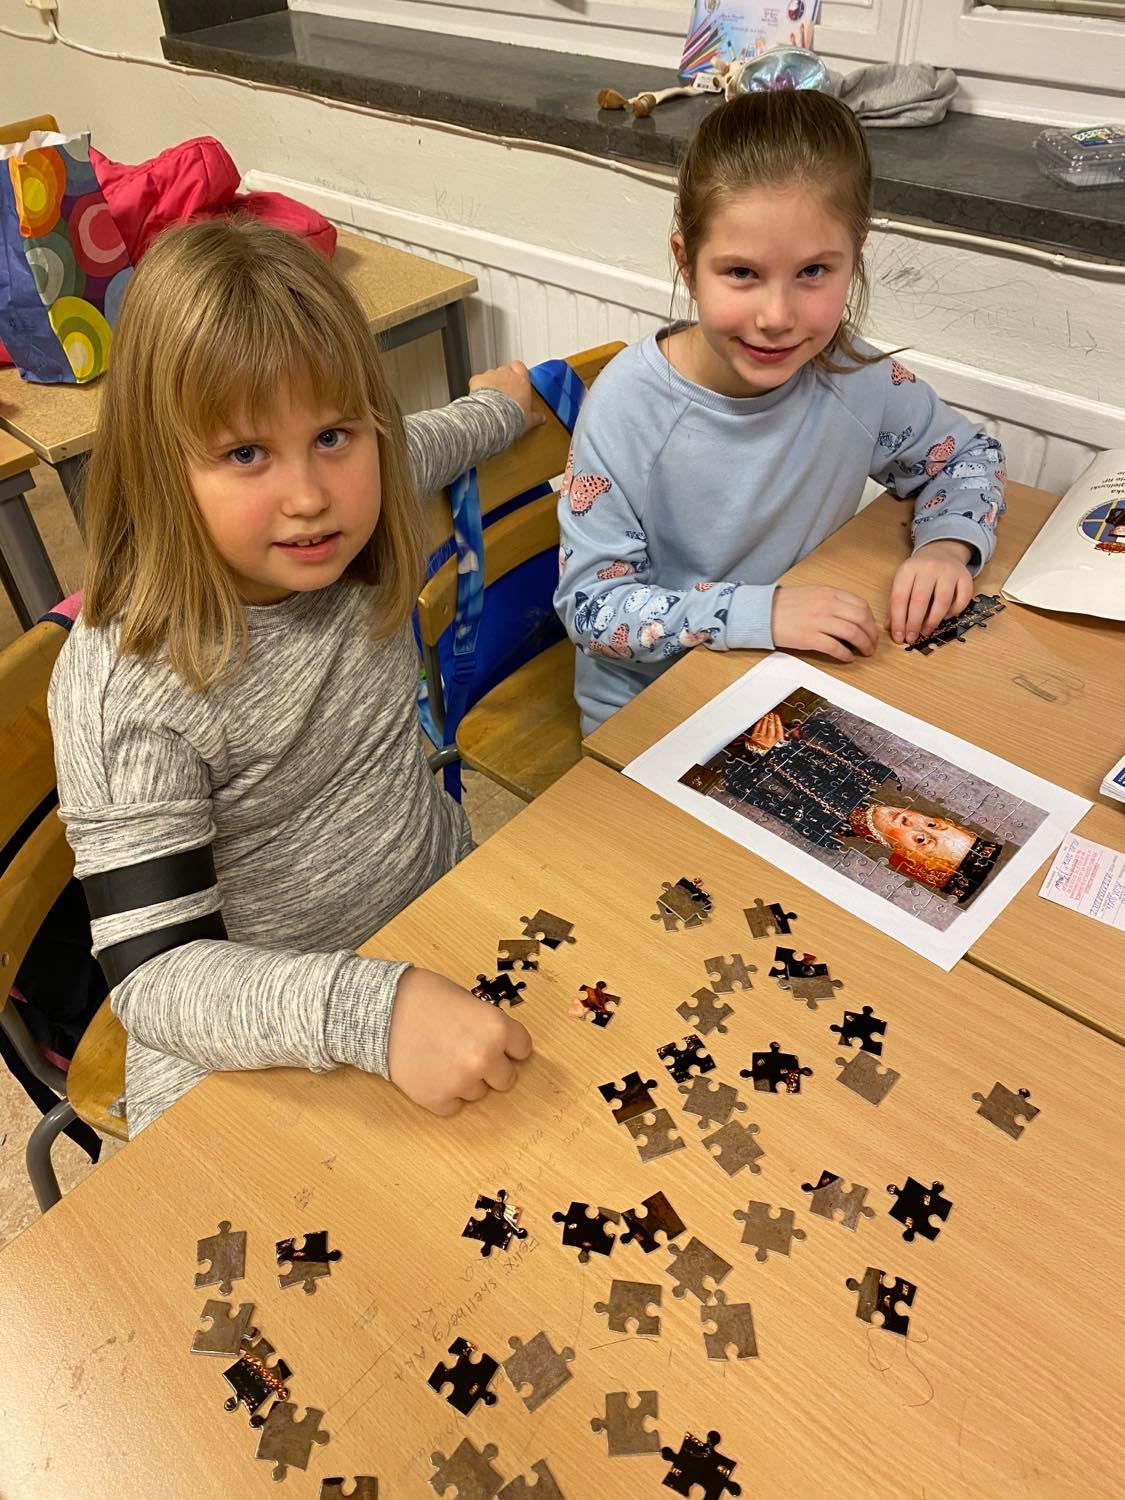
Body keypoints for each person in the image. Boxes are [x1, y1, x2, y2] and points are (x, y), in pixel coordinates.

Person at [49, 217, 542, 1138]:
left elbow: (416, 445)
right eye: (246, 454)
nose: (311, 497)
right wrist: (372, 1011)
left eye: (332, 435)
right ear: (160, 468)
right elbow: (155, 977)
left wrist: (501, 409)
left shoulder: (359, 492)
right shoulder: (130, 688)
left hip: (437, 932)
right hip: (254, 1052)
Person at [555, 89, 1007, 734]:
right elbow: (592, 608)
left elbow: (966, 456)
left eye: (814, 271)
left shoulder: (855, 373)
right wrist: (759, 614)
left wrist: (947, 546)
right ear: (686, 262)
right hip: (655, 709)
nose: (777, 317)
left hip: (792, 680)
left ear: (854, 256)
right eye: (741, 272)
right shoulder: (627, 405)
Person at [683, 707, 1002, 904]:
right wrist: (792, 738)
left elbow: (742, 788)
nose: (913, 821)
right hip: (771, 713)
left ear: (902, 857)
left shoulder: (828, 836)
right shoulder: (885, 781)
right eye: (932, 824)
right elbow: (825, 729)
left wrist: (763, 752)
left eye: (921, 839)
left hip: (718, 746)